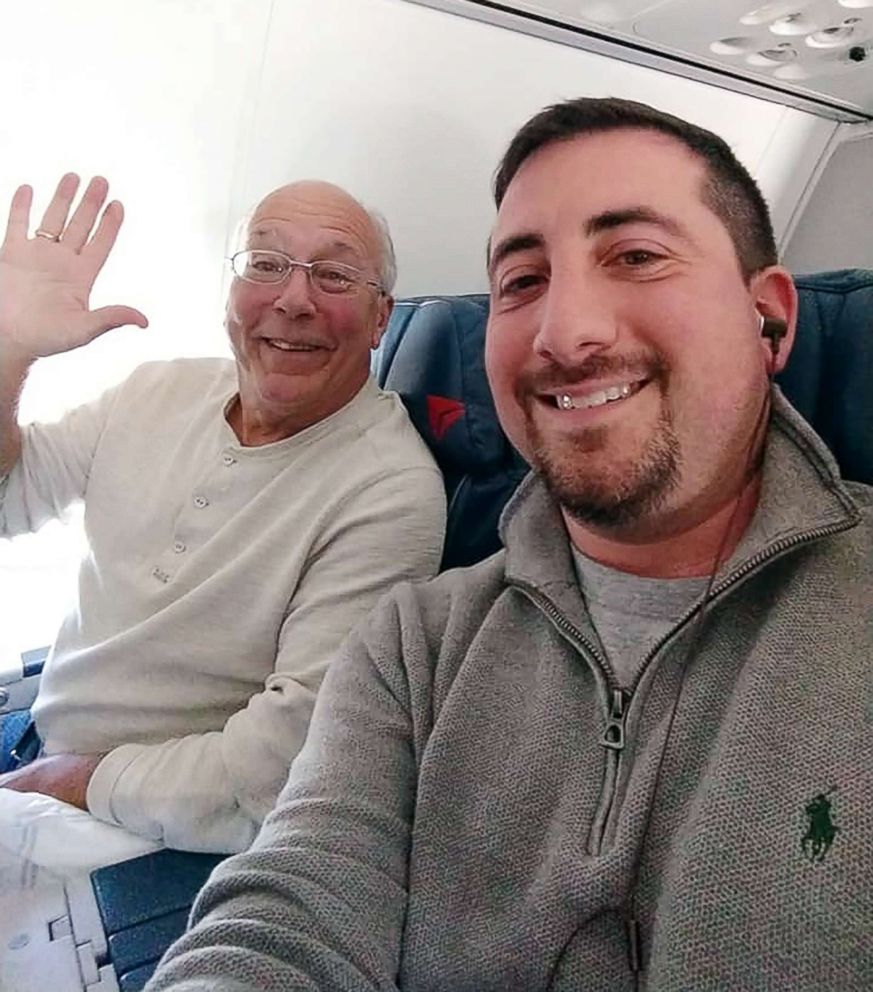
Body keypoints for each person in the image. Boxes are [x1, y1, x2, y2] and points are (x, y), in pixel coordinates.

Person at [146, 98, 872, 990]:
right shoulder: (416, 645)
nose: (564, 334)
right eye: (520, 282)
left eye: (635, 256)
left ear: (769, 319)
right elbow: (291, 913)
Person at [0, 174, 446, 852]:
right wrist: (9, 350)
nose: (293, 299)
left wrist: (74, 781)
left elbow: (278, 764)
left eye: (333, 274)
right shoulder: (156, 389)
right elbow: (9, 501)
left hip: (150, 821)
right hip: (40, 737)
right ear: (231, 293)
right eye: (265, 264)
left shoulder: (388, 492)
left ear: (381, 316)